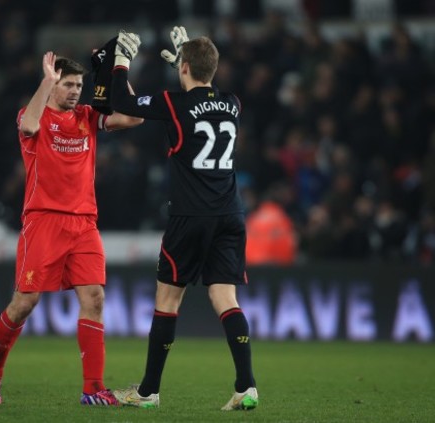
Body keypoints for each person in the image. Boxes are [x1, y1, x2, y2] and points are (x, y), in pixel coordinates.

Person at [0, 51, 143, 406]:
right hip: (44, 221)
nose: (74, 91)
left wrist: (116, 71)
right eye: (68, 84)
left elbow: (133, 116)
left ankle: (93, 389)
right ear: (54, 85)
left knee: (95, 298)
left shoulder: (86, 116)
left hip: (84, 223)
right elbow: (28, 126)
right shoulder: (34, 116)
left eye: (79, 85)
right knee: (25, 303)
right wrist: (47, 82)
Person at [109, 28, 258, 410]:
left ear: (184, 67)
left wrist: (121, 60)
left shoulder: (173, 104)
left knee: (168, 299)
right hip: (230, 214)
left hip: (190, 216)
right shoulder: (233, 103)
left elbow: (120, 100)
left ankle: (148, 392)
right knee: (226, 297)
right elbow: (207, 92)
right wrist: (189, 62)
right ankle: (247, 385)